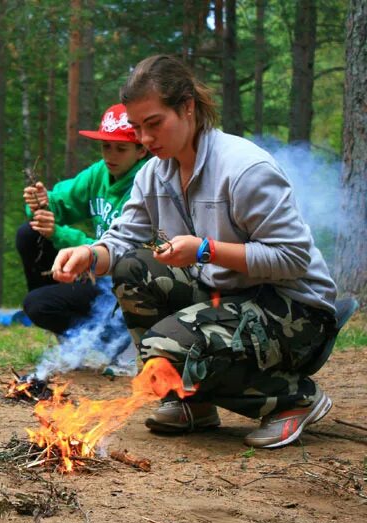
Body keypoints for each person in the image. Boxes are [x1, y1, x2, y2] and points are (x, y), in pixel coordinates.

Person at [51, 55, 338, 449]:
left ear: (188, 107)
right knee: (133, 269)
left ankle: (293, 398)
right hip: (233, 297)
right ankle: (192, 403)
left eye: (155, 124)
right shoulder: (155, 173)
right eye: (138, 129)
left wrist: (205, 250)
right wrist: (91, 254)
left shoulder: (244, 169)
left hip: (296, 311)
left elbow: (292, 258)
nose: (146, 139)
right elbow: (123, 240)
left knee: (165, 349)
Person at [16, 103, 148, 374]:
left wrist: (61, 235)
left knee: (38, 304)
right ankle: (77, 341)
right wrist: (41, 204)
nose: (111, 155)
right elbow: (58, 202)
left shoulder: (146, 183)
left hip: (126, 282)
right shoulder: (99, 172)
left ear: (141, 150)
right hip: (95, 272)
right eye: (106, 146)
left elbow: (123, 249)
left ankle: (123, 343)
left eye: (121, 148)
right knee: (29, 235)